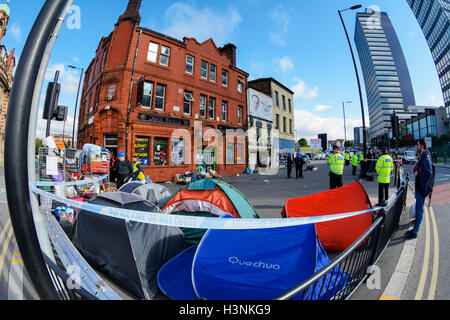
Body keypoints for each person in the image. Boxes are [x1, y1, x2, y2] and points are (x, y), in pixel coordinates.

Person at [405, 139, 433, 240]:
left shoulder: (425, 157)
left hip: (422, 188)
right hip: (420, 187)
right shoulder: (422, 156)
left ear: (422, 146)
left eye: (418, 145)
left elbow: (429, 172)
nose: (416, 147)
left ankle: (415, 231)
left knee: (419, 210)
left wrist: (418, 174)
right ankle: (414, 229)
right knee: (418, 209)